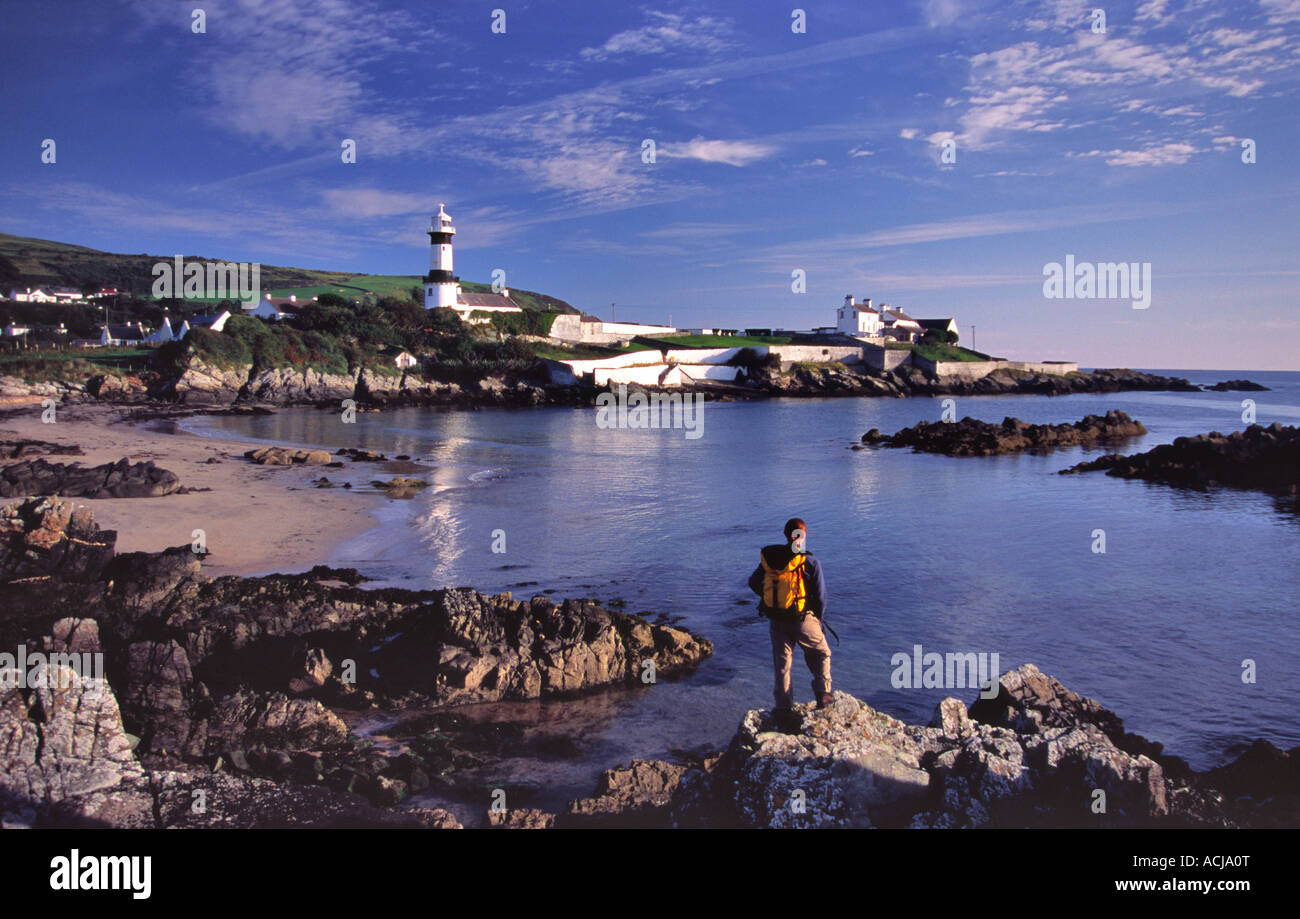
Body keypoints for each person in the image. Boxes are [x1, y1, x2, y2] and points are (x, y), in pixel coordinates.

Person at [748, 517, 832, 718]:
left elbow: (752, 582)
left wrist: (770, 598)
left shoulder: (771, 559)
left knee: (782, 665)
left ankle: (783, 709)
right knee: (821, 654)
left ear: (786, 535)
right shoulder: (810, 562)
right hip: (803, 620)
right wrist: (818, 620)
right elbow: (821, 598)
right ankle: (824, 698)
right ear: (803, 536)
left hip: (777, 619)